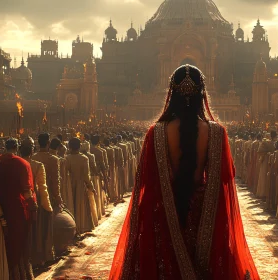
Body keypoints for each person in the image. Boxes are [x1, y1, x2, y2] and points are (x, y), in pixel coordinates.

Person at [109, 65, 259, 279]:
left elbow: (146, 181)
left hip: (165, 211)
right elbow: (226, 178)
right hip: (204, 211)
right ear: (202, 93)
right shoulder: (217, 133)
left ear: (172, 94)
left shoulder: (156, 132)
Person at [0, 138, 38, 280]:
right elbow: (27, 191)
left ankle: (1, 272)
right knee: (19, 242)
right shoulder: (22, 163)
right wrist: (33, 207)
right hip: (16, 208)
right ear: (17, 147)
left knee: (2, 241)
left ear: (4, 147)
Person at [20, 137, 54, 266]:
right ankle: (34, 259)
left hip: (18, 202)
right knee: (35, 232)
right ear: (32, 150)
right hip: (33, 202)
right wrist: (48, 206)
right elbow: (42, 188)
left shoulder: (16, 164)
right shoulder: (37, 165)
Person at [65, 137, 96, 234]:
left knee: (72, 205)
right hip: (80, 184)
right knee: (80, 206)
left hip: (70, 185)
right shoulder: (84, 158)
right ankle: (81, 227)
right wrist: (91, 186)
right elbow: (87, 175)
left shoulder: (66, 158)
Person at [33, 133, 63, 209]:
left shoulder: (33, 158)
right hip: (48, 193)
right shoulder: (54, 159)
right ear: (48, 143)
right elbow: (55, 180)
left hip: (35, 193)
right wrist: (58, 196)